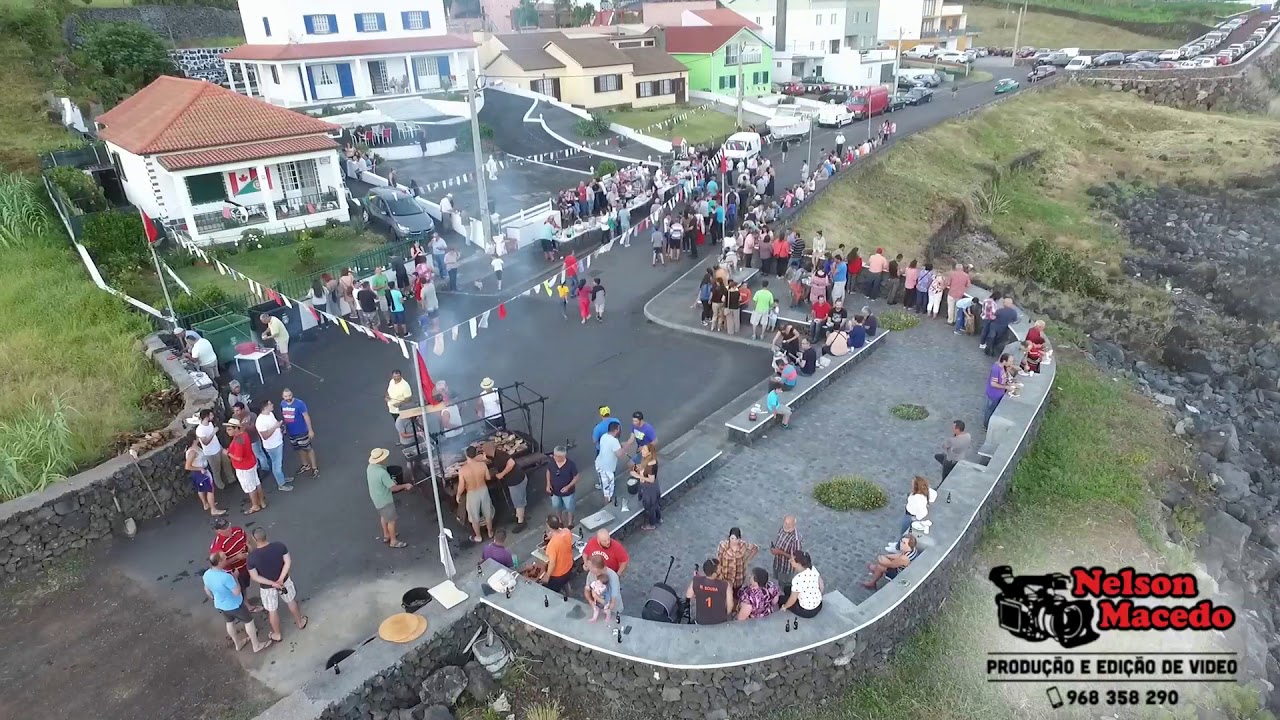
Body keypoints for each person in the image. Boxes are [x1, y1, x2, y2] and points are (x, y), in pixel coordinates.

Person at [246, 528, 307, 642]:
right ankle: (300, 622)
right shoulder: (279, 546)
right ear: (266, 535)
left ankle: (277, 634)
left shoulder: (252, 557)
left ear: (254, 539)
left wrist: (273, 583)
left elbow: (255, 576)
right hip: (284, 582)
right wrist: (280, 579)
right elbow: (287, 562)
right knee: (291, 601)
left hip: (267, 588)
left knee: (272, 610)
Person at [204, 552, 272, 653]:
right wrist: (235, 577)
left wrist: (214, 599)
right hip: (235, 604)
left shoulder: (207, 574)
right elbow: (236, 592)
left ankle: (238, 644)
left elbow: (207, 589)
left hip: (221, 605)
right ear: (219, 562)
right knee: (249, 622)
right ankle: (256, 645)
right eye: (224, 559)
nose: (227, 559)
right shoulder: (226, 577)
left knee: (229, 623)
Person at [368, 447, 412, 548]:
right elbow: (393, 488)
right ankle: (393, 541)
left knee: (384, 516)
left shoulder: (370, 467)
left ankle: (386, 535)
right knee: (391, 521)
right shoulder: (382, 473)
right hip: (385, 499)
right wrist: (405, 485)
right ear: (381, 459)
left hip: (376, 498)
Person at [225, 418, 266, 515]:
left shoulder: (238, 440)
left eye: (229, 429)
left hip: (243, 467)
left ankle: (255, 505)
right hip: (251, 463)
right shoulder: (244, 435)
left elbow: (239, 458)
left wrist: (228, 453)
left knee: (249, 487)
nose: (227, 432)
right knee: (256, 483)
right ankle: (262, 502)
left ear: (236, 429)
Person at [484, 440, 527, 532]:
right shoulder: (493, 455)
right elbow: (483, 457)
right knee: (517, 500)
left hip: (516, 480)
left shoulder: (500, 455)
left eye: (484, 450)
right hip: (513, 480)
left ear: (488, 450)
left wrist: (501, 474)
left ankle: (521, 522)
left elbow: (511, 463)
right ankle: (517, 516)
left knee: (518, 502)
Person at [457, 446, 494, 543]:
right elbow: (488, 477)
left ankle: (478, 536)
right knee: (487, 513)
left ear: (466, 455)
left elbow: (461, 486)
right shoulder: (482, 465)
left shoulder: (462, 470)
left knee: (474, 517)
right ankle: (490, 532)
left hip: (472, 493)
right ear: (476, 454)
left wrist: (458, 495)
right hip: (483, 490)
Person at [184, 430, 226, 516]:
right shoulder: (193, 452)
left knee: (201, 489)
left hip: (199, 473)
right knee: (210, 490)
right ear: (194, 440)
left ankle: (206, 504)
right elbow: (187, 466)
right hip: (201, 472)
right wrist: (200, 468)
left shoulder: (194, 448)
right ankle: (213, 509)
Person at [254, 400, 292, 492]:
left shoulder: (270, 414)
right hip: (272, 446)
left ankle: (281, 478)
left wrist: (279, 429)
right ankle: (281, 484)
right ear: (266, 407)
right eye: (270, 404)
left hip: (278, 442)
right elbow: (265, 436)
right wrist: (276, 426)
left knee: (278, 463)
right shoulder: (260, 421)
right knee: (276, 464)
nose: (272, 405)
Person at [279, 389, 317, 478]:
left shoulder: (300, 404)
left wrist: (310, 430)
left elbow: (306, 416)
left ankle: (314, 467)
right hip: (291, 432)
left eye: (289, 395)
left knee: (308, 449)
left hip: (301, 431)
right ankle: (305, 465)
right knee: (298, 449)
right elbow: (285, 417)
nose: (288, 398)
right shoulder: (282, 404)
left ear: (292, 394)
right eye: (286, 396)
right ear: (283, 397)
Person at [595, 419, 634, 505]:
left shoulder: (604, 436)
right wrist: (626, 447)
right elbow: (620, 455)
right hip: (606, 469)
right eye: (619, 429)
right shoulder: (614, 441)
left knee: (605, 487)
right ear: (616, 430)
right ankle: (607, 506)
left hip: (599, 464)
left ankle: (606, 495)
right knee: (607, 493)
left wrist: (620, 446)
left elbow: (611, 447)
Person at [686, 559, 734, 625]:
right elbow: (730, 605)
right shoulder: (725, 585)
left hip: (701, 621)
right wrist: (728, 616)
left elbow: (688, 595)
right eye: (719, 569)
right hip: (720, 622)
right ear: (714, 574)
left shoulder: (696, 580)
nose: (721, 570)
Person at [893, 476, 938, 543]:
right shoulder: (928, 492)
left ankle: (898, 547)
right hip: (910, 514)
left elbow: (922, 513)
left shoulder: (917, 499)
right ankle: (898, 545)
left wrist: (916, 518)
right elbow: (933, 495)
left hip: (910, 515)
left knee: (904, 532)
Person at [195, 409, 231, 491]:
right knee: (216, 470)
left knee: (226, 463)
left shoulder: (210, 424)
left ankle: (231, 479)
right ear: (207, 417)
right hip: (210, 453)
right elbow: (205, 442)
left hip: (218, 447)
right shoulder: (200, 430)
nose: (213, 416)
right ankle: (221, 485)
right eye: (211, 415)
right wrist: (213, 432)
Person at [781, 550, 823, 618]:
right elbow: (821, 584)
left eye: (792, 560)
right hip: (819, 605)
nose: (789, 561)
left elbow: (793, 598)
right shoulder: (812, 568)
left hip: (807, 611)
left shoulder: (797, 579)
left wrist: (784, 606)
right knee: (787, 589)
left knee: (781, 599)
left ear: (798, 563)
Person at [545, 446, 579, 527]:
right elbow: (548, 471)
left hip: (568, 493)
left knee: (569, 507)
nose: (555, 457)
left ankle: (570, 522)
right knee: (556, 506)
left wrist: (568, 487)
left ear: (564, 456)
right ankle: (560, 521)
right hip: (555, 491)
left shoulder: (571, 465)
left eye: (558, 456)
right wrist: (548, 484)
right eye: (555, 455)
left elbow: (576, 477)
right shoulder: (552, 462)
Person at [541, 515, 574, 594]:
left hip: (558, 575)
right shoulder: (567, 531)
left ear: (548, 526)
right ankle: (569, 592)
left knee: (552, 590)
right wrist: (552, 535)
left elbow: (552, 563)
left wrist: (547, 576)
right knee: (565, 582)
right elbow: (560, 533)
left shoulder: (552, 545)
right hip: (569, 567)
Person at [984, 354, 1016, 429]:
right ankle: (986, 425)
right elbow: (993, 383)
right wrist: (1006, 387)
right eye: (1010, 361)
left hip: (1000, 393)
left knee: (994, 410)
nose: (1011, 363)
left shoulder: (1003, 368)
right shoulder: (996, 369)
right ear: (1004, 361)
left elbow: (1003, 378)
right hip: (993, 394)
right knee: (990, 410)